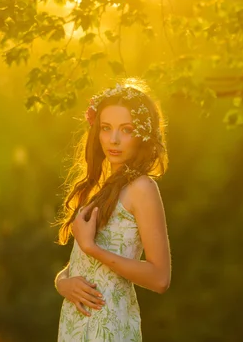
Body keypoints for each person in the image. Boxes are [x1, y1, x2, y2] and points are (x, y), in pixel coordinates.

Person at [54, 81, 171, 341]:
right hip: (75, 327)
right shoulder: (98, 187)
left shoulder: (142, 188)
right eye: (106, 128)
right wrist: (63, 283)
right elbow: (82, 264)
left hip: (110, 328)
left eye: (126, 130)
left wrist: (92, 248)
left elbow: (160, 278)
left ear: (142, 134)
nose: (114, 139)